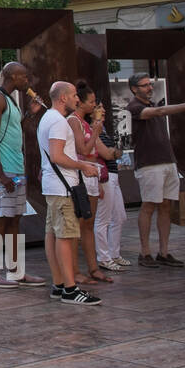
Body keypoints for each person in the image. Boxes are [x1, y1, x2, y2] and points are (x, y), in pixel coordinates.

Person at [127, 74, 185, 268]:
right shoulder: (134, 108)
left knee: (166, 206)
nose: (149, 88)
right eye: (144, 85)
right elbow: (160, 111)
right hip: (149, 164)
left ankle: (163, 252)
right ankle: (144, 252)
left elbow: (160, 110)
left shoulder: (151, 104)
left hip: (167, 162)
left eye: (150, 84)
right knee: (149, 206)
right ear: (134, 89)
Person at [0, 61, 46, 289]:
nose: (27, 81)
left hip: (15, 168)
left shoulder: (9, 100)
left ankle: (16, 271)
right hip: (4, 170)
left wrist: (31, 113)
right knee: (2, 218)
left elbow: (15, 128)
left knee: (15, 218)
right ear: (13, 77)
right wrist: (0, 174)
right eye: (24, 77)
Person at [37, 81, 102, 305]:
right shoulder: (57, 121)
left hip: (55, 186)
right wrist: (83, 166)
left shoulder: (49, 118)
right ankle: (70, 289)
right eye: (74, 95)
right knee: (65, 236)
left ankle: (59, 284)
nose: (77, 99)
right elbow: (57, 156)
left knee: (53, 234)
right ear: (63, 98)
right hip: (62, 187)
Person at [69, 83, 118, 285]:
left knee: (89, 223)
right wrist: (97, 130)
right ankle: (75, 271)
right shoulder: (74, 121)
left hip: (91, 175)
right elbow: (83, 149)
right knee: (77, 226)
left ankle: (93, 267)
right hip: (79, 174)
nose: (94, 105)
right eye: (91, 102)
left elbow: (100, 153)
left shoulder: (86, 122)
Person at [95, 121, 129, 273]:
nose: (101, 110)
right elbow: (108, 153)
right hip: (105, 176)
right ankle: (103, 257)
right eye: (98, 106)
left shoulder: (103, 130)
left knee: (119, 216)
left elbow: (116, 152)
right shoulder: (93, 129)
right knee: (103, 219)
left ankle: (113, 253)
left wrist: (114, 152)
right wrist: (113, 152)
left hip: (113, 176)